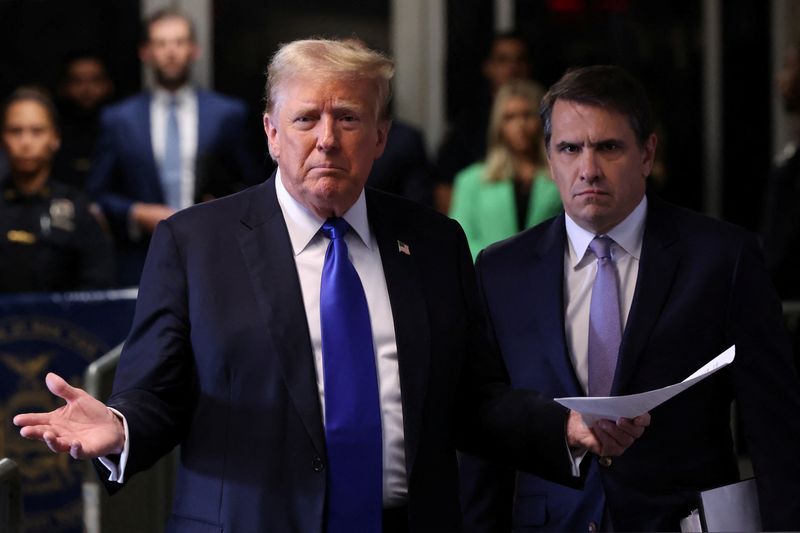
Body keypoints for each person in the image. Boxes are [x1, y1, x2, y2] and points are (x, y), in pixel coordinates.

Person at [13, 40, 649, 533]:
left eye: (348, 117)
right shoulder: (194, 243)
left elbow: (470, 400)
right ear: (270, 132)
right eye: (306, 118)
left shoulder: (433, 243)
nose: (326, 138)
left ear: (379, 137)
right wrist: (121, 425)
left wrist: (560, 425)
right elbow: (159, 392)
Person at [459, 65, 800, 532]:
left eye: (609, 147)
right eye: (570, 148)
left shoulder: (724, 258)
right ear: (549, 158)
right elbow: (482, 416)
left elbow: (776, 428)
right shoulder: (501, 271)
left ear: (647, 153)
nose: (588, 169)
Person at [87, 8, 261, 286]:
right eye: (161, 43)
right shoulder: (119, 119)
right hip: (141, 257)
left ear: (194, 49)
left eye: (179, 42)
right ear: (146, 52)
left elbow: (254, 184)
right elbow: (97, 192)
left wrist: (224, 206)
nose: (170, 51)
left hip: (214, 250)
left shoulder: (227, 113)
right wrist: (136, 212)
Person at [0, 87, 114, 292]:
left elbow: (98, 288)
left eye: (37, 131)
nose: (25, 142)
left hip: (63, 322)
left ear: (55, 138)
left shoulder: (79, 210)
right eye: (15, 131)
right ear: (3, 138)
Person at [450, 80, 561, 259]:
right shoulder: (470, 180)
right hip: (487, 278)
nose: (520, 125)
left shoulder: (559, 177)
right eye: (510, 117)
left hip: (547, 275)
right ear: (498, 125)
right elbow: (461, 239)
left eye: (527, 115)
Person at [435, 32, 533, 214]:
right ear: (488, 67)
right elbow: (445, 188)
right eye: (503, 60)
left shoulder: (547, 119)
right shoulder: (468, 124)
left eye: (519, 60)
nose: (513, 68)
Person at [53, 51, 115, 190]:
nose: (86, 89)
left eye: (95, 80)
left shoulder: (121, 130)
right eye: (77, 81)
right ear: (64, 87)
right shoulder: (52, 131)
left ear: (109, 85)